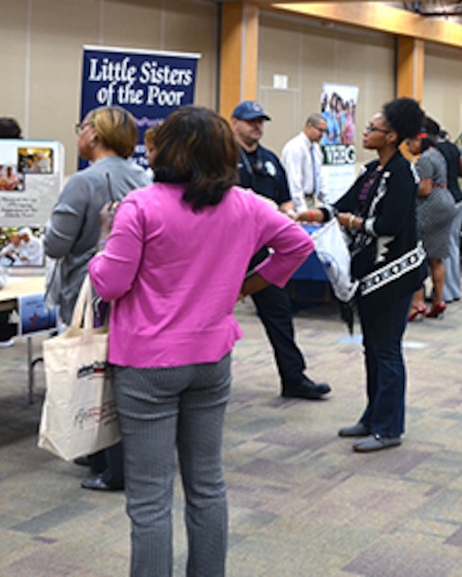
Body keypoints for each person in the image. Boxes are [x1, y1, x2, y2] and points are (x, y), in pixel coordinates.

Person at [88, 105, 312, 577]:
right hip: (212, 357)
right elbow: (298, 244)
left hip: (147, 364)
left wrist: (103, 243)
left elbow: (110, 284)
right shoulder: (246, 203)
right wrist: (246, 286)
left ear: (166, 150)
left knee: (149, 499)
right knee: (207, 486)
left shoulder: (142, 206)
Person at [295, 98, 427, 452]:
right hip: (371, 275)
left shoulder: (402, 174)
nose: (365, 133)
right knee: (372, 349)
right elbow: (343, 204)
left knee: (387, 351)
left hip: (394, 276)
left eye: (372, 129)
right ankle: (373, 416)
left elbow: (388, 226)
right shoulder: (373, 171)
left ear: (392, 136)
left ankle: (389, 427)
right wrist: (306, 216)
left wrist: (348, 221)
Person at [43, 105, 151, 492]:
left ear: (94, 134)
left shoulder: (83, 182)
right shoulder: (145, 177)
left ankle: (108, 461)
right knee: (117, 372)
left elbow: (57, 245)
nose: (78, 134)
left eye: (81, 127)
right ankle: (108, 454)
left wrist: (41, 231)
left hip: (88, 291)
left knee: (92, 373)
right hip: (133, 290)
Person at [231, 100, 330, 400]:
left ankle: (294, 378)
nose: (257, 126)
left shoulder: (271, 160)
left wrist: (287, 215)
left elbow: (286, 200)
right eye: (251, 121)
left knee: (280, 315)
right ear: (234, 122)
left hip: (262, 253)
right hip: (228, 251)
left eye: (261, 121)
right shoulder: (221, 158)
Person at [406, 131, 458, 320]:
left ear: (418, 142)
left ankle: (417, 303)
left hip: (430, 206)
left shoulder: (424, 160)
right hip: (446, 201)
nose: (408, 148)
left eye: (409, 143)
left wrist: (406, 185)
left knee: (418, 253)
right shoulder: (437, 154)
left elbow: (424, 188)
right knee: (437, 256)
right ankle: (438, 300)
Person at [425, 118, 462, 302]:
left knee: (440, 249)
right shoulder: (451, 148)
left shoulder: (432, 153)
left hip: (441, 201)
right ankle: (453, 289)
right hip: (457, 198)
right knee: (452, 245)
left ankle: (443, 292)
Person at [281, 113, 329, 212]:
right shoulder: (295, 148)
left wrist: (327, 202)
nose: (322, 135)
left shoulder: (316, 149)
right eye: (320, 130)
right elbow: (294, 181)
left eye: (324, 131)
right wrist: (301, 209)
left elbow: (320, 176)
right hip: (294, 202)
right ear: (309, 126)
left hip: (310, 200)